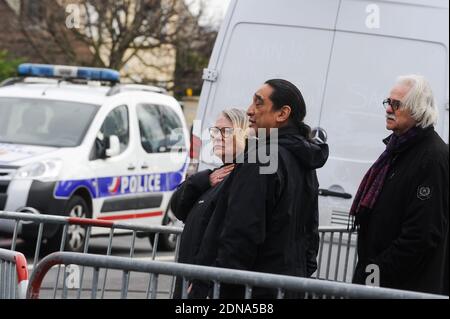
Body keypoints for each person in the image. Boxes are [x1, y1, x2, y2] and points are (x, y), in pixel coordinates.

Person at [187, 79, 329, 299]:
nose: (249, 111)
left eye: (259, 103)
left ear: (282, 114)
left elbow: (242, 232)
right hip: (286, 285)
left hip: (251, 290)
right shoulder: (302, 160)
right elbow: (310, 231)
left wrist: (215, 285)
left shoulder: (263, 157)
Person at [351, 75, 449, 295]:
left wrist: (374, 273)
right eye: (388, 102)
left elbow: (421, 235)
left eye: (397, 104)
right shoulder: (396, 150)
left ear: (418, 109)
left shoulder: (432, 157)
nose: (388, 109)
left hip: (403, 286)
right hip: (382, 281)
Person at [171, 108, 249, 298]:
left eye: (226, 132)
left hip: (209, 286)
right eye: (215, 131)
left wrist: (204, 281)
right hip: (192, 280)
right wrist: (204, 179)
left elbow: (230, 239)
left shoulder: (244, 180)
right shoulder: (216, 176)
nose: (217, 137)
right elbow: (178, 206)